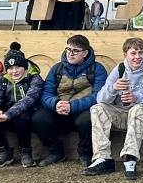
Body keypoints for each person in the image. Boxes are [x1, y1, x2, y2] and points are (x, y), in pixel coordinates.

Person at [86, 37, 143, 180]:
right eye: (133, 53)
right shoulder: (119, 69)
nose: (138, 57)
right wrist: (113, 88)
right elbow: (101, 98)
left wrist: (136, 98)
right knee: (97, 108)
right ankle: (103, 159)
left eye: (141, 53)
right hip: (121, 114)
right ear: (125, 55)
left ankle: (130, 158)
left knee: (138, 108)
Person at [33, 34, 108, 168]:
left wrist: (72, 106)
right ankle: (56, 151)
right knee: (39, 117)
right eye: (68, 50)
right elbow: (46, 93)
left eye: (75, 51)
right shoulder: (57, 68)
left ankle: (85, 153)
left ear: (85, 53)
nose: (70, 54)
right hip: (59, 108)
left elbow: (98, 96)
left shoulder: (97, 69)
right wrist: (55, 104)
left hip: (82, 109)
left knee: (88, 119)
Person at [0, 42, 44, 168]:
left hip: (27, 111)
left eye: (18, 67)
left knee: (22, 117)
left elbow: (28, 100)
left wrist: (8, 114)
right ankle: (4, 150)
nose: (14, 71)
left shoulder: (35, 79)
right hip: (7, 112)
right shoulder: (3, 79)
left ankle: (25, 151)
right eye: (10, 68)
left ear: (24, 66)